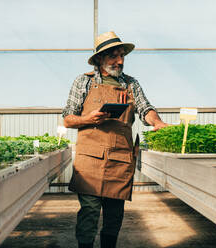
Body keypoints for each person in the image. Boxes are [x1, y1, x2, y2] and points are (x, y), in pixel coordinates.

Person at [62, 31, 168, 248]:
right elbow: (67, 118)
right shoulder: (84, 82)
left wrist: (157, 122)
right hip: (90, 159)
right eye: (113, 56)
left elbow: (145, 109)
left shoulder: (131, 84)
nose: (119, 61)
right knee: (90, 211)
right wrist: (87, 119)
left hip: (120, 159)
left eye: (122, 56)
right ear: (100, 58)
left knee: (114, 214)